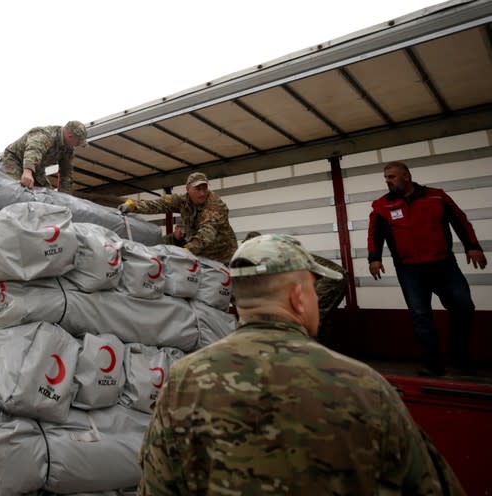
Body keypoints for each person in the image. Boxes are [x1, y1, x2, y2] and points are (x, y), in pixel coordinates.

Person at [139, 233, 465, 495]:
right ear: (298, 297)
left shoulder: (184, 379)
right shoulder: (364, 384)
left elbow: (158, 483)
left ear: (236, 300)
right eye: (311, 289)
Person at [368, 161, 487, 377]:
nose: (387, 181)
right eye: (386, 177)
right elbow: (375, 234)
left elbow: (460, 221)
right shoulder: (381, 206)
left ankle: (460, 356)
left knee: (463, 306)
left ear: (406, 176)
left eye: (391, 177)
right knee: (421, 315)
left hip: (443, 264)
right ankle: (433, 364)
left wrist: (472, 246)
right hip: (409, 269)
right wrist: (374, 258)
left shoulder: (436, 196)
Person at [243, 231, 348, 342]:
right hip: (335, 278)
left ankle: (308, 354)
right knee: (322, 320)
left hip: (329, 280)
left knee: (306, 321)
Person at [118, 172, 238, 264]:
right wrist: (133, 205)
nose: (202, 193)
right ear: (188, 189)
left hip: (223, 258)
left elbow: (206, 236)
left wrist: (184, 252)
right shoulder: (183, 201)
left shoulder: (215, 206)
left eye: (204, 188)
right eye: (198, 189)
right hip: (200, 256)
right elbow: (159, 204)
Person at [1, 120, 88, 192]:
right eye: (78, 142)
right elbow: (33, 150)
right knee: (16, 191)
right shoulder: (45, 135)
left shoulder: (68, 149)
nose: (77, 145)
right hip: (14, 160)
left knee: (48, 195)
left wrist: (65, 197)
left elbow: (66, 173)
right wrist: (27, 171)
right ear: (70, 136)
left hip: (37, 168)